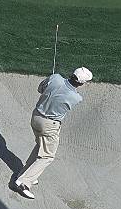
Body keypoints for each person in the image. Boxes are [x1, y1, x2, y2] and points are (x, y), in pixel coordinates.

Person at [13, 67, 93, 199]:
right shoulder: (76, 98)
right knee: (48, 156)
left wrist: (52, 83)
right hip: (50, 125)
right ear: (81, 83)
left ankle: (25, 173)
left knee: (40, 146)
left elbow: (40, 89)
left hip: (36, 117)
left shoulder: (55, 78)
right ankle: (23, 182)